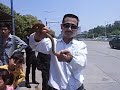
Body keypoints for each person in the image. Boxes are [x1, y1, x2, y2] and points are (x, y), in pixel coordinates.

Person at [29, 14, 87, 90]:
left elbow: (82, 64)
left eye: (73, 26)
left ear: (76, 29)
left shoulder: (81, 45)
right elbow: (33, 45)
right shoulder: (52, 42)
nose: (69, 29)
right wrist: (38, 36)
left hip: (77, 87)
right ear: (61, 26)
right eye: (66, 25)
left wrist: (70, 59)